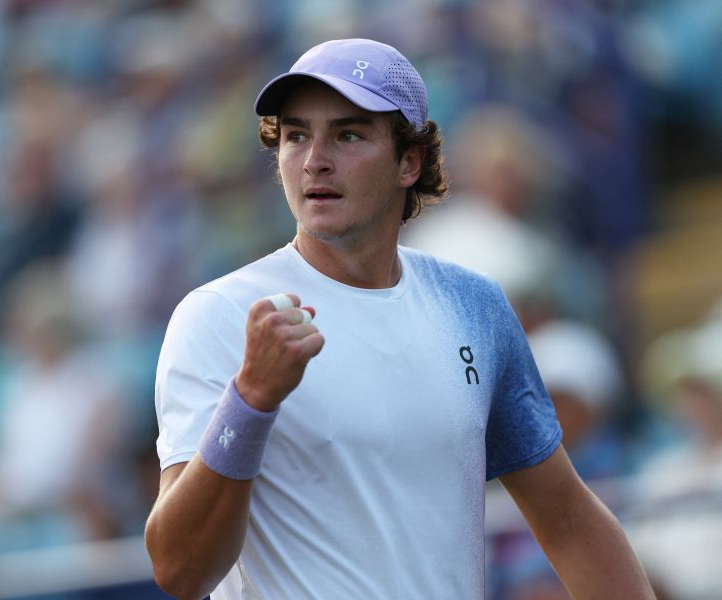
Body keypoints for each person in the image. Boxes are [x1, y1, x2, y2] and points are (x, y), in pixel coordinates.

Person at [144, 39, 654, 599]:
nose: (315, 159)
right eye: (296, 136)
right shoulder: (216, 315)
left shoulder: (473, 305)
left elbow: (569, 520)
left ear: (409, 162)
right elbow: (179, 570)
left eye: (349, 134)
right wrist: (252, 398)